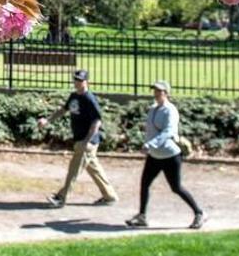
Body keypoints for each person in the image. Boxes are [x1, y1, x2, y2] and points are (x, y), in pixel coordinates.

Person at [125, 80, 205, 229]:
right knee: (144, 184)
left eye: (160, 91)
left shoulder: (170, 110)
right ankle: (142, 216)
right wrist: (148, 144)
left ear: (167, 93)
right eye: (155, 91)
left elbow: (168, 132)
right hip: (154, 155)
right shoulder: (153, 108)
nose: (156, 94)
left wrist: (150, 144)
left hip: (170, 155)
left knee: (176, 187)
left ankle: (199, 213)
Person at [38, 69, 118, 208]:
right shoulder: (74, 96)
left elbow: (97, 121)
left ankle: (61, 198)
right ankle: (109, 196)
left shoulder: (89, 99)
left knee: (74, 169)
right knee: (94, 168)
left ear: (87, 82)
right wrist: (47, 120)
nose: (77, 82)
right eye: (76, 79)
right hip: (80, 140)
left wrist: (86, 141)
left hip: (87, 141)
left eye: (80, 80)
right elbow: (63, 110)